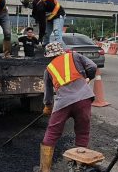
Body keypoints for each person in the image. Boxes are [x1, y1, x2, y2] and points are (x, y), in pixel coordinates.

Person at [37, 41, 97, 172]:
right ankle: (79, 166)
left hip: (63, 103)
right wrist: (87, 78)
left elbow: (48, 92)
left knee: (52, 133)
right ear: (61, 51)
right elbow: (92, 66)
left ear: (49, 55)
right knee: (82, 131)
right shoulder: (74, 56)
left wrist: (48, 106)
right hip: (83, 98)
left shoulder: (48, 69)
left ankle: (45, 169)